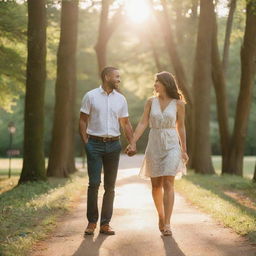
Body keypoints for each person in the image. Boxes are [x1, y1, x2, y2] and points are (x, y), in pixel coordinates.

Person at [126, 71, 188, 236]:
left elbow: (180, 127)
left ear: (166, 84)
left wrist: (184, 150)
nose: (155, 85)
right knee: (156, 186)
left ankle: (167, 223)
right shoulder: (150, 102)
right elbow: (143, 122)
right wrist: (133, 141)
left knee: (168, 183)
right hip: (154, 144)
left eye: (157, 82)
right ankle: (160, 216)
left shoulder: (179, 104)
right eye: (155, 83)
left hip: (172, 144)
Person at [79, 66, 135, 236]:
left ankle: (105, 224)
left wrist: (132, 142)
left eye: (119, 76)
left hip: (113, 145)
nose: (119, 79)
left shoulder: (121, 99)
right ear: (106, 77)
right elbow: (82, 120)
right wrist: (86, 142)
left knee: (110, 187)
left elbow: (125, 123)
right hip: (94, 144)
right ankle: (91, 222)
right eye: (116, 76)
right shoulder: (90, 96)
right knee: (94, 183)